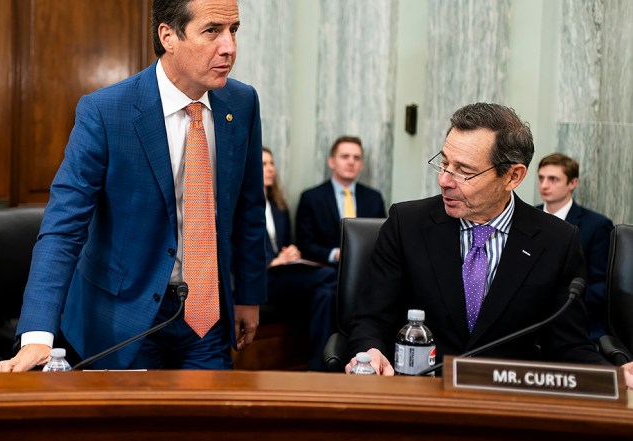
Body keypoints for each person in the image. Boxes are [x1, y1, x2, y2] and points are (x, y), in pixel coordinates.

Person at [0, 0, 265, 372]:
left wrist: (248, 296)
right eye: (212, 31)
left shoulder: (242, 103)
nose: (229, 47)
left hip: (206, 315)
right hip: (121, 319)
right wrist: (37, 335)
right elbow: (64, 226)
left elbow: (248, 207)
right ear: (168, 36)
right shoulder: (105, 112)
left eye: (234, 30)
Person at [345, 103, 633, 388]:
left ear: (513, 176)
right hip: (421, 392)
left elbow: (569, 346)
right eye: (444, 163)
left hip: (509, 398)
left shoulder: (556, 241)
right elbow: (371, 319)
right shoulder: (407, 224)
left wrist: (613, 376)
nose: (444, 180)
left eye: (463, 171)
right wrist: (371, 352)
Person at [263, 146, 337, 371]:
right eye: (263, 164)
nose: (270, 169)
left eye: (271, 163)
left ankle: (317, 366)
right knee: (330, 275)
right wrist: (274, 261)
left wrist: (292, 253)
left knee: (326, 293)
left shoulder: (278, 206)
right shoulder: (241, 207)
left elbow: (286, 244)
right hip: (261, 277)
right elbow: (237, 251)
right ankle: (321, 364)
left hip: (283, 275)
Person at [537, 153, 614, 341]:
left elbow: (601, 285)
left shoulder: (597, 225)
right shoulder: (528, 217)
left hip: (574, 323)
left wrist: (560, 305)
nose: (544, 185)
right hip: (527, 324)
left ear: (572, 183)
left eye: (553, 179)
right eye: (541, 178)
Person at [296, 135, 386, 266]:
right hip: (326, 270)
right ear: (331, 162)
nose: (351, 162)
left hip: (367, 268)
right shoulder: (311, 198)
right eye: (345, 156)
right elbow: (304, 244)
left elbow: (383, 239)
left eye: (357, 158)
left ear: (361, 165)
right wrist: (335, 254)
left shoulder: (374, 198)